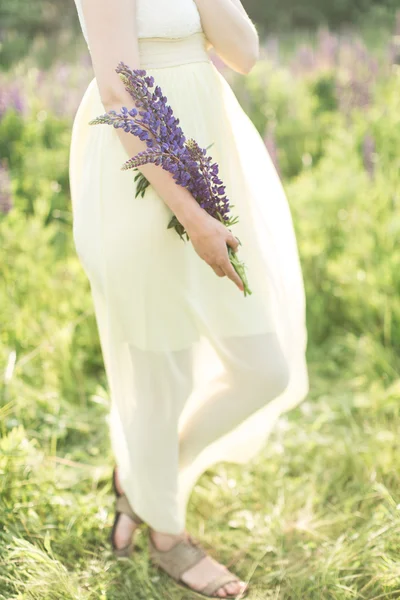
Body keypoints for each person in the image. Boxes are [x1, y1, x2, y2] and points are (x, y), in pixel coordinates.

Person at [69, 0, 309, 597]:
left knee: (264, 370)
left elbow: (244, 55)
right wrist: (194, 218)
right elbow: (118, 93)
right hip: (137, 173)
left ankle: (143, 484)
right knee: (162, 371)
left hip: (209, 158)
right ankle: (167, 537)